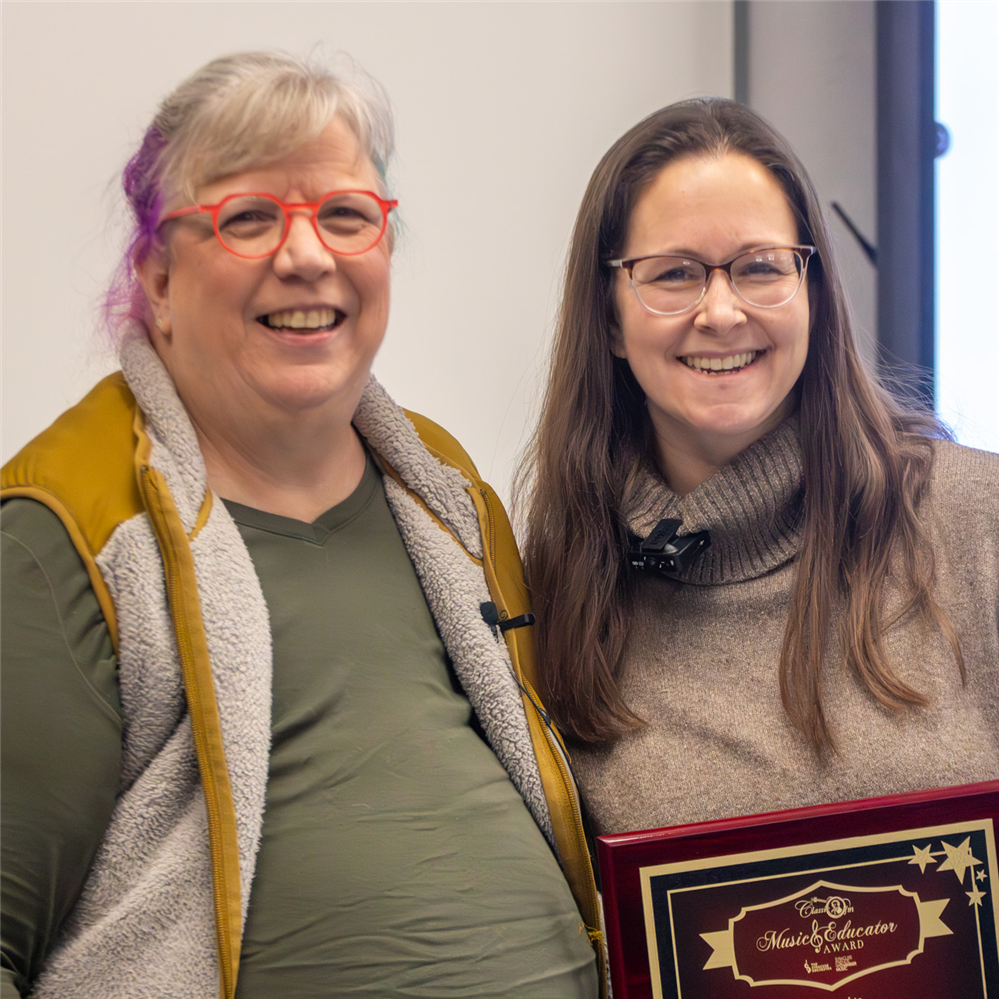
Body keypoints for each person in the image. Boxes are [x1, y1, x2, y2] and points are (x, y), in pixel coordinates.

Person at [0, 51, 602, 998]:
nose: (307, 254)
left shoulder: (447, 494)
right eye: (247, 219)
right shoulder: (62, 529)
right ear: (156, 279)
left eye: (346, 215)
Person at [519, 98, 999, 838]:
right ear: (610, 317)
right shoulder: (557, 587)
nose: (720, 311)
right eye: (674, 273)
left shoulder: (975, 518)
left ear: (812, 294)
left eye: (759, 267)